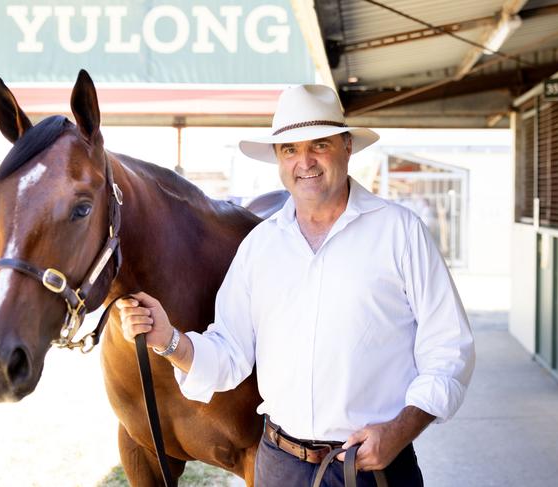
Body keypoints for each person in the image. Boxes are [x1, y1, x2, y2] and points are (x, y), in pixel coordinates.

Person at [117, 85, 475, 486]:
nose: (305, 161)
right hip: (281, 466)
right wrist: (169, 340)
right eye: (289, 149)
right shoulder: (259, 246)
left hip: (374, 466)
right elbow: (230, 353)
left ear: (346, 147)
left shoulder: (400, 232)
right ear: (278, 159)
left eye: (318, 145)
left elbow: (449, 350)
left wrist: (399, 432)